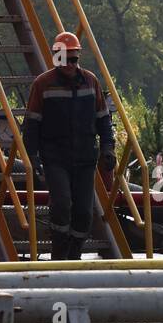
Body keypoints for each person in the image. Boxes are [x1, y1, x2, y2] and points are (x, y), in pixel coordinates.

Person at [21, 31, 117, 260]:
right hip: (55, 158)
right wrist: (31, 156)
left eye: (74, 59)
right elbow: (32, 123)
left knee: (84, 212)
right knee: (62, 203)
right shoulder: (43, 85)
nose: (70, 64)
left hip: (85, 159)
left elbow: (103, 118)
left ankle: (73, 254)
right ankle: (59, 251)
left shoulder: (91, 82)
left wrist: (108, 147)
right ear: (56, 58)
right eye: (65, 59)